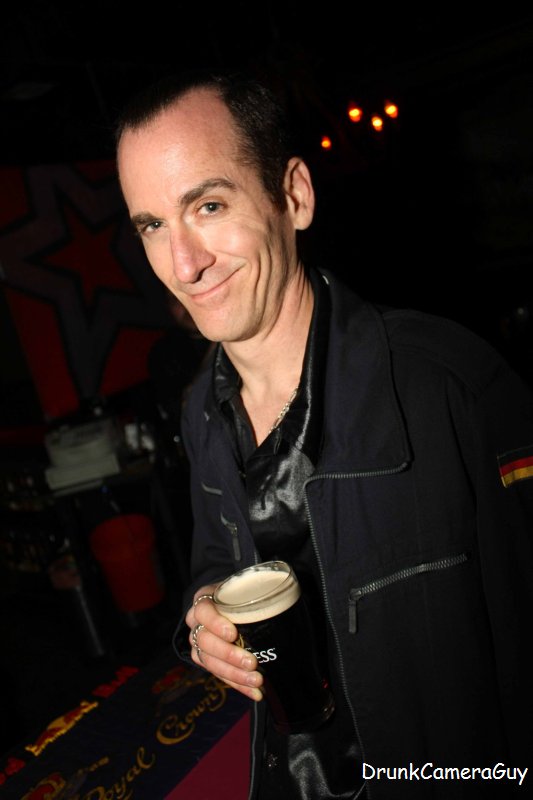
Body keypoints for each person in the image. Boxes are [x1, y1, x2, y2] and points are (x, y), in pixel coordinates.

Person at [115, 69, 533, 799]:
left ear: (294, 196)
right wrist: (204, 621)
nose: (183, 265)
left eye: (208, 206)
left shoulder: (449, 386)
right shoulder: (199, 407)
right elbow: (212, 565)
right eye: (152, 225)